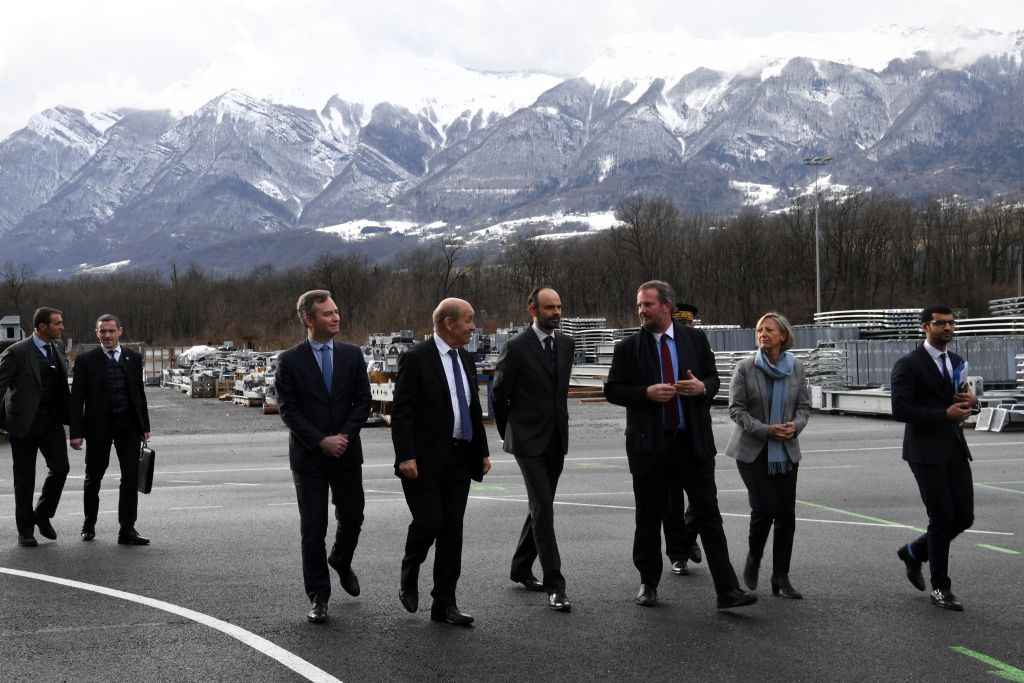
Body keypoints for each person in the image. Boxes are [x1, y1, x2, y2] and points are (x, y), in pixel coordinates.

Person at [604, 281, 755, 610]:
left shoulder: (695, 340)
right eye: (639, 305)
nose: (642, 310)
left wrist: (702, 387)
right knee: (648, 518)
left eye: (648, 305)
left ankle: (728, 590)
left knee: (709, 517)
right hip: (650, 447)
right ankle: (648, 582)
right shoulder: (628, 348)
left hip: (693, 445)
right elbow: (612, 390)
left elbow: (714, 380)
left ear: (667, 306)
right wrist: (645, 393)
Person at [392, 298, 491, 626]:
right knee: (430, 522)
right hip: (423, 460)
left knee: (452, 532)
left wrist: (482, 451)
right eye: (469, 320)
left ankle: (444, 603)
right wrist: (405, 454)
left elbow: (473, 408)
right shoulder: (416, 359)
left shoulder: (466, 358)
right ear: (449, 323)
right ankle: (411, 565)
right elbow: (402, 412)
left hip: (460, 457)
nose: (473, 326)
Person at [276, 290, 372, 624]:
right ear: (309, 320)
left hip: (346, 453)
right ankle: (319, 596)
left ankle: (341, 560)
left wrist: (343, 436)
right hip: (309, 458)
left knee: (353, 517)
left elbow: (363, 402)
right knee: (313, 528)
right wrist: (320, 441)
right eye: (328, 314)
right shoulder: (289, 360)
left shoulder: (352, 355)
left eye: (336, 311)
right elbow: (288, 409)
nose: (336, 317)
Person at [492, 286, 574, 612]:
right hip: (527, 441)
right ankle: (555, 584)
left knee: (542, 506)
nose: (556, 312)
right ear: (533, 311)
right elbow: (499, 397)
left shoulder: (566, 344)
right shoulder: (515, 347)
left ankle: (520, 566)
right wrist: (510, 434)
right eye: (549, 307)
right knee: (543, 506)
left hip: (557, 438)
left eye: (559, 306)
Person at [891, 304, 976, 611]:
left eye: (952, 323)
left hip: (954, 447)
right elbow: (899, 410)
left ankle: (914, 552)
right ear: (925, 327)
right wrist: (944, 414)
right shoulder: (908, 364)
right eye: (941, 323)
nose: (948, 328)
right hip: (925, 452)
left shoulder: (955, 361)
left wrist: (974, 403)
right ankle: (941, 587)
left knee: (964, 516)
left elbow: (964, 402)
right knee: (941, 518)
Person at [724, 312, 811, 599]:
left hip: (786, 450)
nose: (763, 334)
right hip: (752, 450)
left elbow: (804, 407)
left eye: (769, 330)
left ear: (783, 335)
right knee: (764, 508)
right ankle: (754, 557)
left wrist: (794, 426)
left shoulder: (796, 367)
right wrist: (765, 430)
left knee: (786, 515)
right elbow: (736, 409)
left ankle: (781, 576)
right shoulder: (746, 368)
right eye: (759, 330)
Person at [69, 314, 152, 545]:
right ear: (96, 333)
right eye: (102, 331)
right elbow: (76, 399)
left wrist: (144, 426)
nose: (107, 335)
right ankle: (89, 524)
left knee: (130, 477)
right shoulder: (86, 361)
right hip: (98, 428)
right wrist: (75, 432)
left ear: (120, 331)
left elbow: (138, 393)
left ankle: (127, 529)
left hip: (128, 427)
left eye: (111, 331)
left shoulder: (133, 358)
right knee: (93, 477)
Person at [0, 307, 71, 547]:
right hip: (24, 425)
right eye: (57, 323)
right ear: (42, 326)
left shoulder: (58, 348)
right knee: (25, 479)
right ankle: (25, 530)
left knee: (61, 468)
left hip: (52, 423)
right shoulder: (16, 353)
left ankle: (42, 514)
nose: (62, 327)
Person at [663, 302, 702, 576]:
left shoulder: (699, 346)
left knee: (702, 499)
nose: (685, 329)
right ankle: (678, 553)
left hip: (694, 431)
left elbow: (711, 383)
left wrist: (702, 387)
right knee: (671, 500)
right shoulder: (660, 346)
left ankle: (687, 537)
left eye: (688, 324)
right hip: (668, 432)